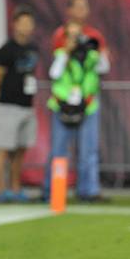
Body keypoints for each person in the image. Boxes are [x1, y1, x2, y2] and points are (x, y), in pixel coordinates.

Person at [42, 21, 108, 202]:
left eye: (77, 35)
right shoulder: (60, 54)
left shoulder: (91, 55)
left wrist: (98, 50)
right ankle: (52, 192)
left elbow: (104, 68)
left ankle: (88, 191)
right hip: (62, 106)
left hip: (87, 106)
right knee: (58, 151)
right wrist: (66, 52)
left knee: (89, 151)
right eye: (70, 36)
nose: (75, 40)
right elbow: (54, 74)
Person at [0, 7, 39, 202]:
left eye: (30, 22)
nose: (27, 27)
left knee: (20, 149)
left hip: (27, 105)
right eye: (23, 22)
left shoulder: (32, 49)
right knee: (5, 148)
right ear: (15, 24)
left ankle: (16, 187)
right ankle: (2, 190)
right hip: (8, 105)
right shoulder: (6, 50)